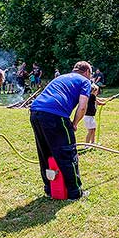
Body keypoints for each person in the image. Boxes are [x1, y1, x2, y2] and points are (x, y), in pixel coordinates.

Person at [30, 61, 92, 200]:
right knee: (67, 152)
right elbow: (82, 107)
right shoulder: (85, 81)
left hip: (35, 112)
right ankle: (75, 192)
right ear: (87, 72)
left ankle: (50, 189)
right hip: (55, 115)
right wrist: (74, 123)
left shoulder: (61, 77)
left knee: (45, 153)